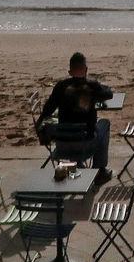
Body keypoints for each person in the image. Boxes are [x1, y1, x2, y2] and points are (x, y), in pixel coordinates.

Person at [34, 51, 115, 181]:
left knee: (73, 127)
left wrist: (40, 124)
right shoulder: (92, 86)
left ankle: (78, 164)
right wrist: (97, 85)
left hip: (62, 144)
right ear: (86, 70)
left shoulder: (61, 87)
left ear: (70, 72)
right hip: (86, 144)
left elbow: (47, 110)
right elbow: (109, 94)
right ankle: (99, 171)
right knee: (104, 123)